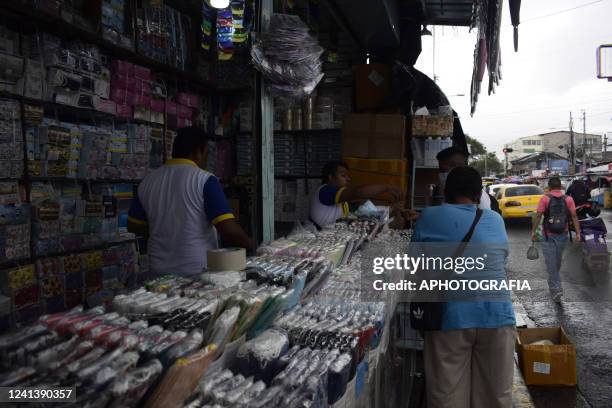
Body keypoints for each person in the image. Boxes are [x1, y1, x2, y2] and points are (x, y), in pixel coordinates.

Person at [411, 166, 516, 408]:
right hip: (498, 316)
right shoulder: (496, 220)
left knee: (447, 396)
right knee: (495, 397)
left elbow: (415, 267)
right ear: (479, 194)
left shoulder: (428, 216)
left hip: (450, 318)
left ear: (445, 192)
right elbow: (501, 260)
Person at [127, 127, 254, 277]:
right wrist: (251, 245)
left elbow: (133, 225)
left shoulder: (147, 181)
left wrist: (164, 230)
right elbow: (228, 229)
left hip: (157, 270)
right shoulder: (205, 180)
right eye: (206, 154)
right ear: (198, 152)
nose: (206, 160)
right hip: (195, 271)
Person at [308, 160, 407, 228]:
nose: (348, 179)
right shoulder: (325, 191)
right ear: (331, 177)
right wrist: (387, 187)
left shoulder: (341, 200)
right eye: (343, 175)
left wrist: (394, 210)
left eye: (348, 176)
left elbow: (363, 210)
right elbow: (359, 192)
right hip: (316, 237)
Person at [531, 177, 580, 302]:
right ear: (561, 187)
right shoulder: (568, 199)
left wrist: (533, 231)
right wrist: (578, 233)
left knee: (553, 264)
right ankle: (557, 289)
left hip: (548, 235)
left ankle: (553, 283)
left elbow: (538, 215)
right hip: (563, 235)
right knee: (555, 263)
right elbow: (574, 216)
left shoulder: (545, 199)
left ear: (549, 187)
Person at [431, 146, 493, 210]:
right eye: (440, 170)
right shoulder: (447, 191)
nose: (441, 174)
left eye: (443, 170)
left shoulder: (476, 196)